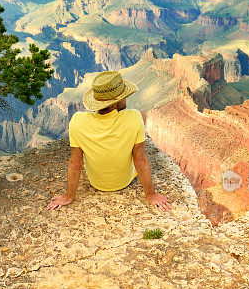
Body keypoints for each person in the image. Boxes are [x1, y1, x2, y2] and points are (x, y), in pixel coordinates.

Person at [47, 70, 171, 212]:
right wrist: (151, 195)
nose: (126, 99)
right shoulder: (135, 117)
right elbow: (140, 160)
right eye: (124, 96)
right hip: (125, 181)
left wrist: (68, 196)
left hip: (96, 183)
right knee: (141, 119)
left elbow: (76, 163)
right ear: (116, 102)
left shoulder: (77, 121)